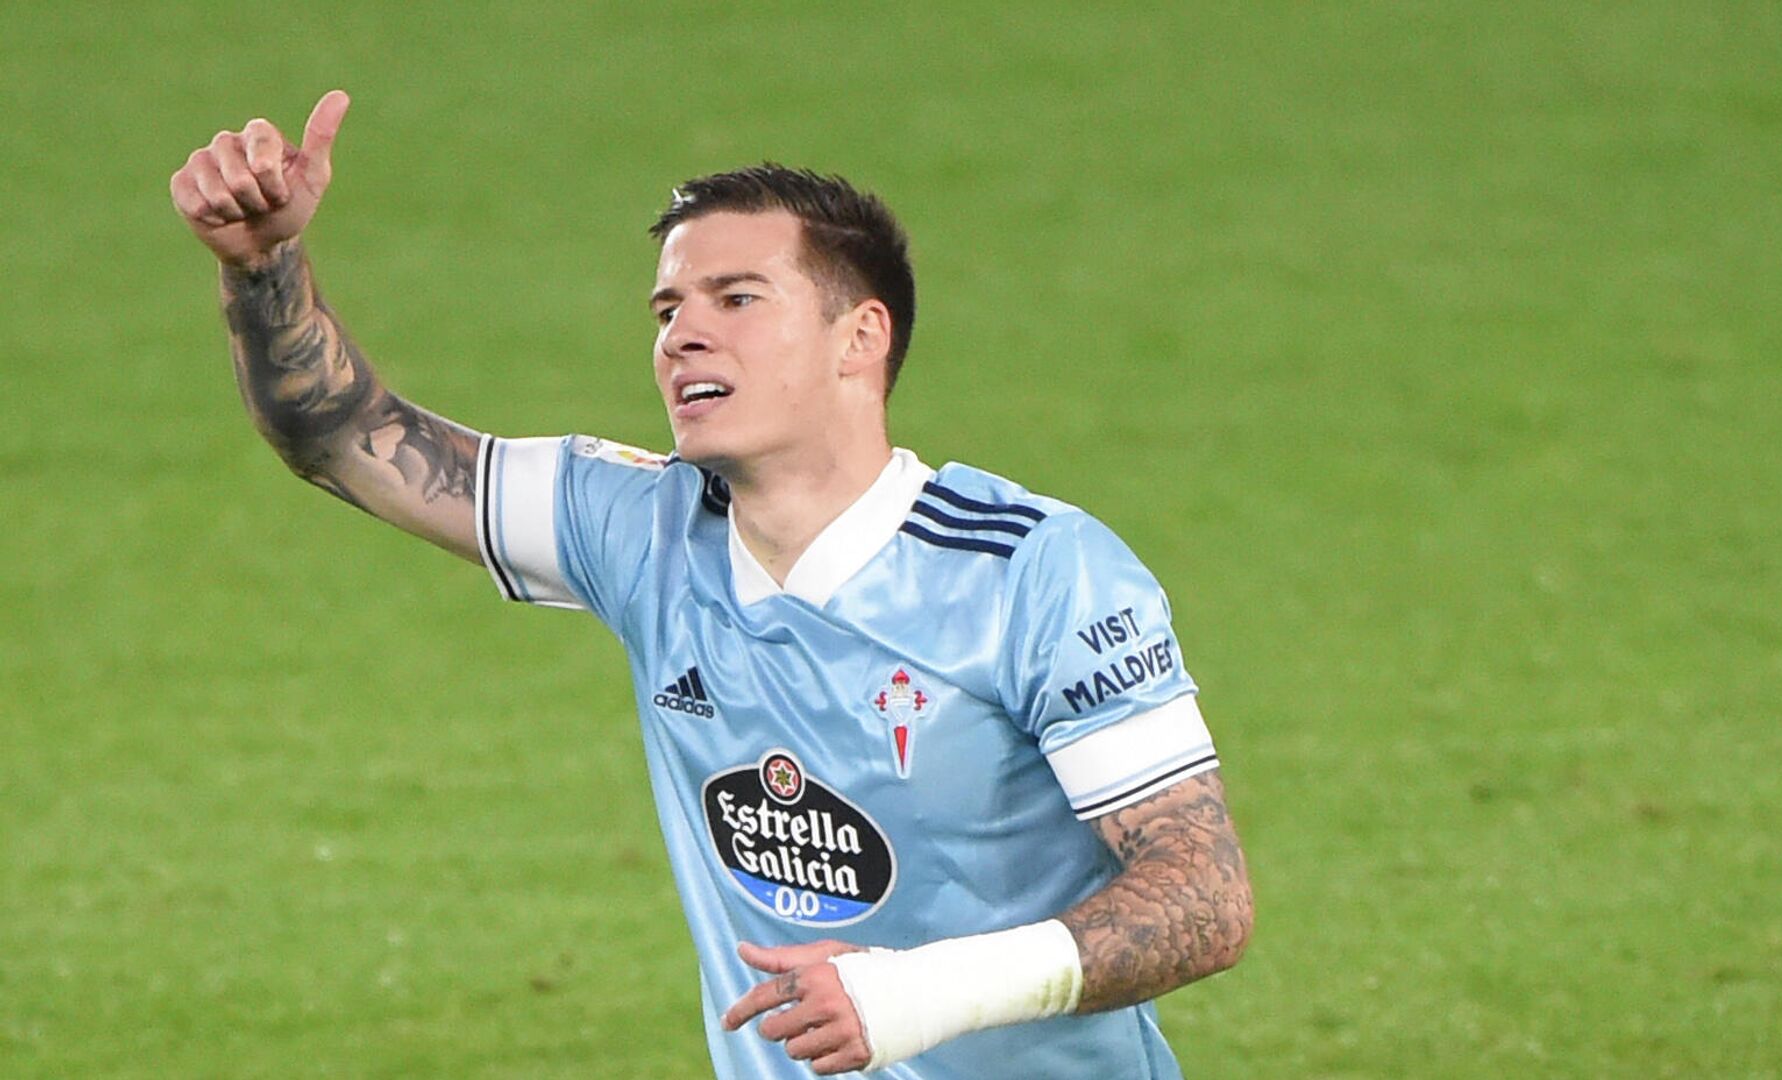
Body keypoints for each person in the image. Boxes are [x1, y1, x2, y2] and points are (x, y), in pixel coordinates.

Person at [170, 90, 1254, 1078]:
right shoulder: (637, 528)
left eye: (737, 298)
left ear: (858, 338)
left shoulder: (1035, 573)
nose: (685, 332)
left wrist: (913, 994)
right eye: (667, 309)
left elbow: (1204, 899)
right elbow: (342, 435)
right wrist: (263, 264)